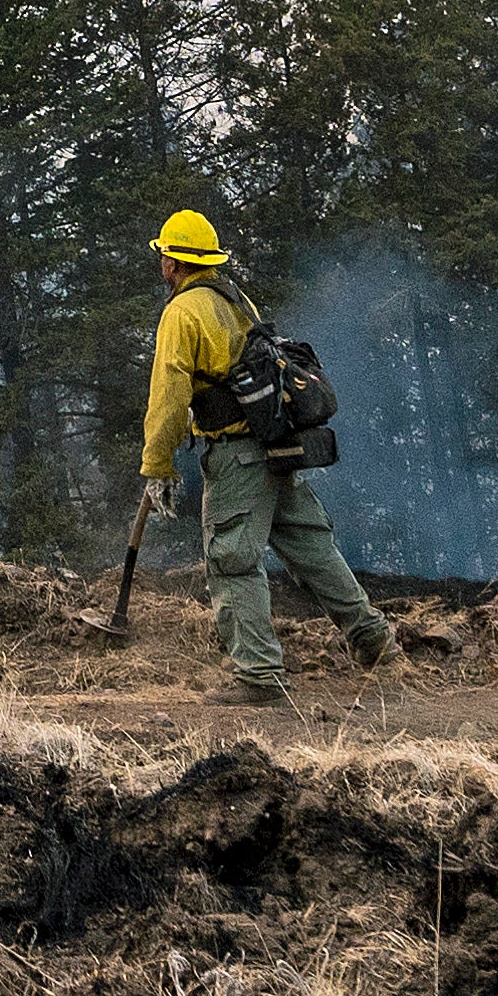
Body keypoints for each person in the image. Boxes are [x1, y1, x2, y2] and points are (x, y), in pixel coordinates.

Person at [142, 206, 390, 705]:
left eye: (163, 257)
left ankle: (259, 676)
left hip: (237, 456)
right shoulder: (236, 298)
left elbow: (169, 394)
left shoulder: (182, 312)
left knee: (232, 560)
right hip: (277, 446)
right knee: (311, 547)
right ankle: (373, 637)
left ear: (172, 262)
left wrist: (158, 466)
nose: (161, 265)